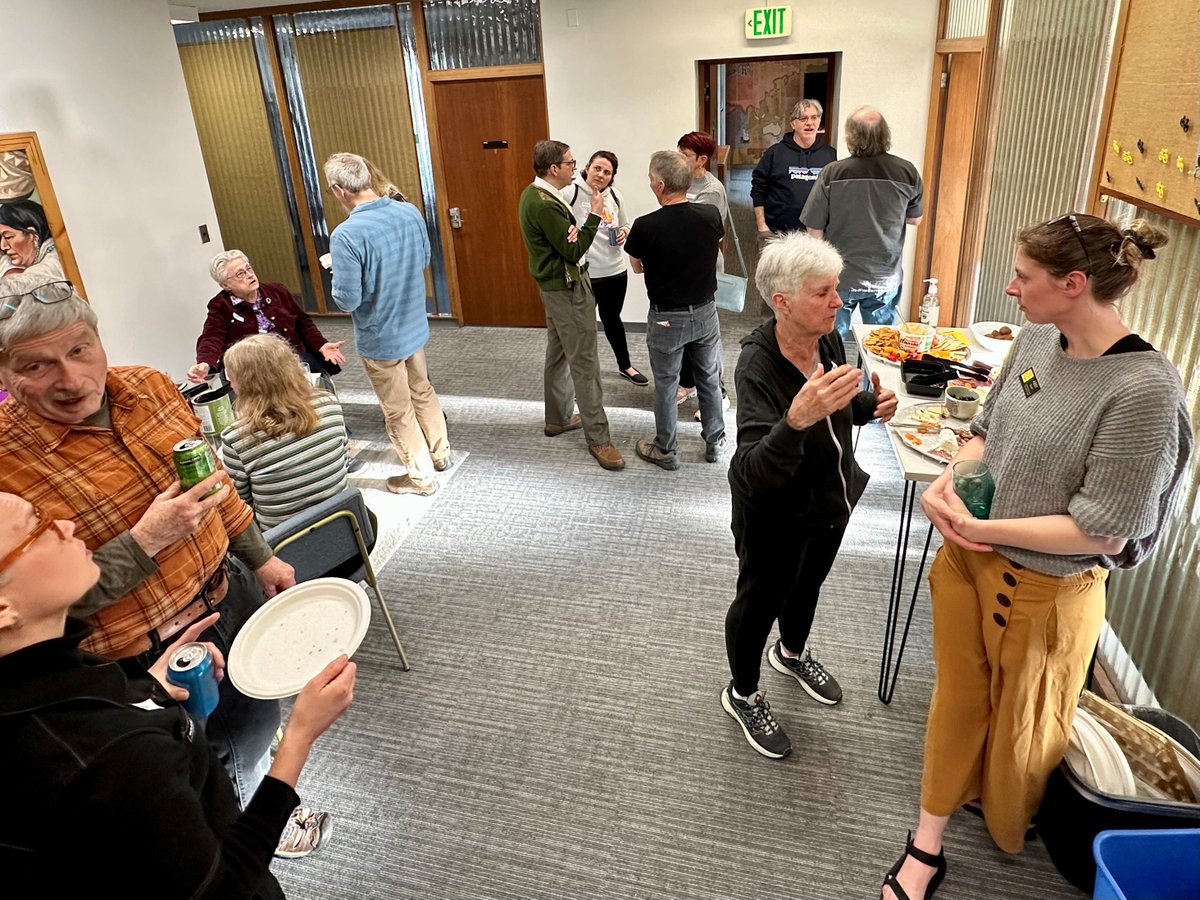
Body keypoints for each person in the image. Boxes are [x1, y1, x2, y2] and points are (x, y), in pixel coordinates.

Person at [883, 216, 1191, 900]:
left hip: (1046, 591)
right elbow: (986, 428)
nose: (1010, 287)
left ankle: (999, 814)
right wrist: (949, 482)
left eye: (1024, 277)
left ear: (1074, 285)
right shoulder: (1035, 340)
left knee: (1023, 730)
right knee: (959, 700)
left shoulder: (1142, 392)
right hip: (969, 561)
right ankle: (926, 842)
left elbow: (1105, 533)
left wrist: (989, 531)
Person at [0, 277, 329, 852]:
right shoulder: (7, 464)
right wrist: (146, 539)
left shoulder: (150, 387)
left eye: (79, 349)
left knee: (252, 728)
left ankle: (250, 802)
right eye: (35, 365)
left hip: (227, 596)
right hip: (139, 657)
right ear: (4, 376)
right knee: (193, 768)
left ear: (100, 341)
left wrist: (262, 556)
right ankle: (243, 841)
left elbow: (214, 483)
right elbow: (30, 609)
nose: (71, 379)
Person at [0, 491, 356, 898]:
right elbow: (225, 887)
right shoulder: (115, 754)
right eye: (37, 527)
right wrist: (300, 736)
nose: (66, 524)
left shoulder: (50, 684)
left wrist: (147, 686)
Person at [721, 232, 896, 759]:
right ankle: (742, 692)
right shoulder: (757, 366)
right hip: (774, 515)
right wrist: (796, 419)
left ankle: (792, 654)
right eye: (823, 292)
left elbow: (833, 410)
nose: (837, 301)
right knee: (759, 603)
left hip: (831, 502)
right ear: (783, 302)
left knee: (807, 587)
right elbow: (752, 470)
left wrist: (864, 404)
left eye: (835, 288)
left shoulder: (826, 339)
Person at [324, 151, 452, 495]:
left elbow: (347, 300)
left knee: (398, 410)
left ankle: (421, 478)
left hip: (381, 336)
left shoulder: (346, 235)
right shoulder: (408, 211)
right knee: (422, 389)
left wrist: (338, 272)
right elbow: (424, 258)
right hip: (413, 322)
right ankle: (441, 454)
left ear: (339, 190)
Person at [518, 139, 624, 471]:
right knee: (585, 364)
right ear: (555, 169)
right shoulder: (544, 203)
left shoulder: (536, 194)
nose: (574, 167)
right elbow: (575, 251)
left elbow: (567, 241)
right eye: (570, 163)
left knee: (559, 352)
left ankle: (557, 418)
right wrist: (593, 217)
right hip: (567, 290)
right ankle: (599, 439)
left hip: (554, 288)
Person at [624, 150, 726, 470]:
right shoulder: (710, 214)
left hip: (667, 317)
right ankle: (714, 441)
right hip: (707, 312)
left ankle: (666, 449)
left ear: (660, 185)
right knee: (709, 378)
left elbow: (638, 268)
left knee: (667, 384)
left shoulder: (644, 226)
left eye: (651, 180)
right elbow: (713, 247)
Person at [802, 105, 923, 342]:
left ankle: (834, 379)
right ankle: (873, 381)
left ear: (851, 136)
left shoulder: (832, 173)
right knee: (880, 347)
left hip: (840, 276)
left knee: (831, 344)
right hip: (884, 277)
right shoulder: (907, 172)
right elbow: (914, 219)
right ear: (884, 134)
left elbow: (813, 228)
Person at [220, 334, 350, 530]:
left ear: (247, 384)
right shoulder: (329, 404)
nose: (230, 384)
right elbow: (343, 461)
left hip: (283, 546)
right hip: (347, 529)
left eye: (232, 378)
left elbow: (239, 506)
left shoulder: (237, 439)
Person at [188, 250, 346, 385]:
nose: (250, 275)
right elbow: (211, 337)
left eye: (249, 268)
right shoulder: (220, 306)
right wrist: (205, 362)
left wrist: (321, 345)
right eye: (240, 274)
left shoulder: (277, 291)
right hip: (253, 368)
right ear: (225, 285)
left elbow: (303, 323)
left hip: (291, 359)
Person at [563, 150, 647, 386]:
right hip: (586, 273)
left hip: (615, 271)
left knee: (612, 319)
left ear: (612, 177)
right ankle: (583, 374)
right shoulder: (570, 193)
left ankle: (625, 366)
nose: (600, 174)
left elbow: (626, 224)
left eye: (607, 172)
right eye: (597, 168)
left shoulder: (615, 196)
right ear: (588, 167)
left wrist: (624, 232)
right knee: (583, 326)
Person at [676, 131, 732, 417]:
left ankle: (719, 393)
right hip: (682, 267)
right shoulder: (680, 181)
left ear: (702, 159)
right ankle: (687, 383)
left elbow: (701, 233)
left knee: (706, 335)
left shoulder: (711, 189)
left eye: (685, 156)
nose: (679, 160)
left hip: (703, 268)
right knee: (685, 330)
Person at [751, 99, 837, 238]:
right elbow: (758, 190)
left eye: (814, 117)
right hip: (778, 234)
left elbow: (835, 195)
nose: (809, 123)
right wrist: (762, 227)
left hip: (816, 235)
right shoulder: (774, 154)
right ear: (793, 123)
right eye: (803, 118)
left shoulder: (831, 155)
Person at [0, 198, 65, 282]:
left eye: (8, 237)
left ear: (33, 235)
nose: (3, 246)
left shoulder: (54, 263)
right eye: (0, 238)